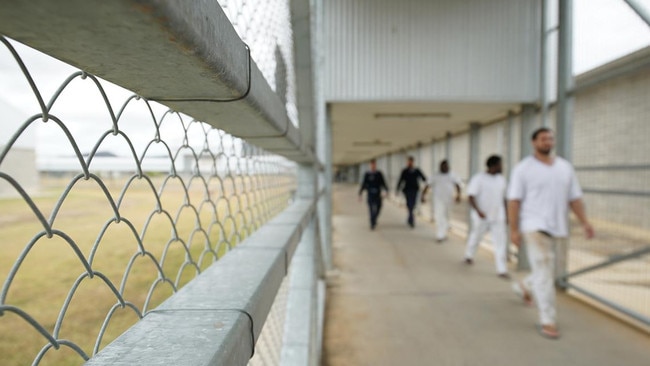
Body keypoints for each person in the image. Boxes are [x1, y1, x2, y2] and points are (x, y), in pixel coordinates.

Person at [507, 127, 594, 340]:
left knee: (546, 271)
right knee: (545, 273)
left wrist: (585, 222)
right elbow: (514, 200)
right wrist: (514, 229)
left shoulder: (565, 168)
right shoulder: (523, 169)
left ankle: (524, 285)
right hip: (534, 225)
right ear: (533, 142)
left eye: (550, 138)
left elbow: (574, 198)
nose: (548, 142)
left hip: (557, 227)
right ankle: (548, 320)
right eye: (543, 138)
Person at [463, 155, 509, 279]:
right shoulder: (479, 179)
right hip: (481, 216)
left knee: (500, 242)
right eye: (500, 164)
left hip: (498, 216)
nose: (502, 167)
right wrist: (478, 211)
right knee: (476, 236)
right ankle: (469, 255)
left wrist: (507, 214)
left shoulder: (502, 180)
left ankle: (502, 269)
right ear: (493, 166)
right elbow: (471, 196)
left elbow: (504, 198)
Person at [421, 160, 461, 242]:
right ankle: (440, 235)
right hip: (438, 200)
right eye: (442, 166)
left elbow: (458, 185)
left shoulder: (453, 175)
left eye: (446, 166)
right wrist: (423, 195)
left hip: (449, 200)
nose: (444, 168)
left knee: (447, 216)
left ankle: (443, 233)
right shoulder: (435, 175)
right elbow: (427, 185)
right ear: (440, 167)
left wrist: (458, 195)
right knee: (439, 217)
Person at [396, 156, 427, 228]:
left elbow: (423, 178)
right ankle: (411, 219)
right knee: (409, 204)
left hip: (414, 190)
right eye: (409, 162)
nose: (410, 163)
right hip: (407, 190)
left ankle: (410, 218)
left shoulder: (416, 170)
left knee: (412, 205)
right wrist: (397, 189)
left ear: (413, 162)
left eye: (411, 162)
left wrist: (427, 184)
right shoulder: (405, 171)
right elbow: (400, 180)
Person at [358, 159, 389, 230]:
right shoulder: (367, 174)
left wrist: (386, 190)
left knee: (379, 207)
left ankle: (374, 218)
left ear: (375, 165)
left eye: (374, 164)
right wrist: (360, 193)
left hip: (378, 194)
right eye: (372, 165)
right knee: (371, 209)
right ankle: (372, 223)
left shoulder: (379, 174)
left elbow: (383, 183)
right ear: (370, 165)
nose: (373, 166)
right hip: (370, 194)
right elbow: (363, 184)